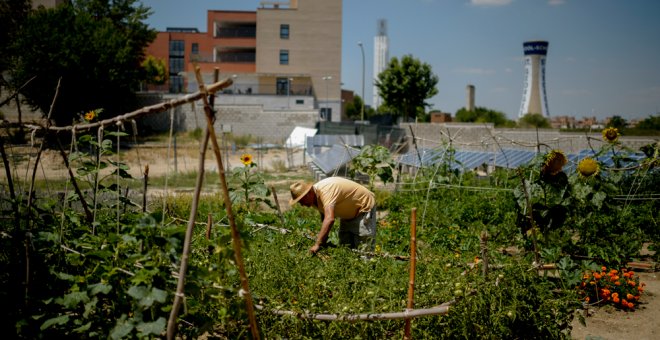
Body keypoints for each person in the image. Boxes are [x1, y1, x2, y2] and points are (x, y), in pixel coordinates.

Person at [289, 176, 377, 254]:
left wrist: (318, 244)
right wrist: (324, 237)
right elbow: (324, 215)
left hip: (363, 208)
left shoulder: (325, 191)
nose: (302, 205)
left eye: (301, 201)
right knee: (346, 249)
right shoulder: (313, 198)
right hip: (347, 214)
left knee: (364, 252)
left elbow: (329, 219)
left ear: (308, 194)